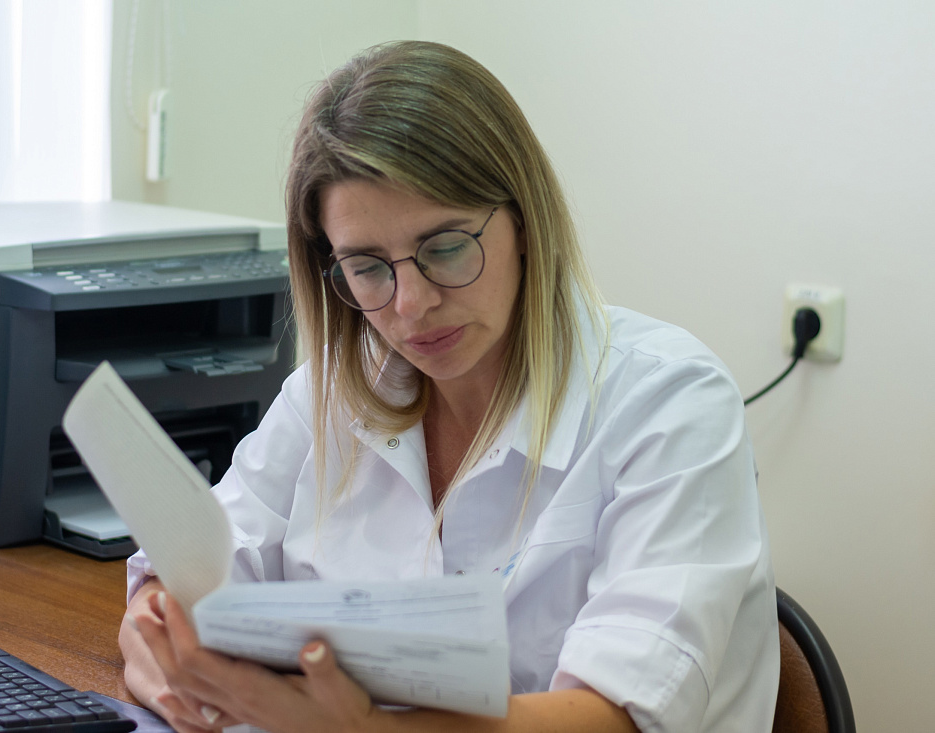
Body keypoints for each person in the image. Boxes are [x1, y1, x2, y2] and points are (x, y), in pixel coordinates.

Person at [119, 40, 779, 733]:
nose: (411, 304)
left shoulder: (671, 404)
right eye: (366, 266)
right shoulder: (331, 394)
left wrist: (362, 729)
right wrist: (164, 648)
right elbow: (181, 581)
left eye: (445, 248)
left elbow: (617, 715)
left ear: (522, 222)